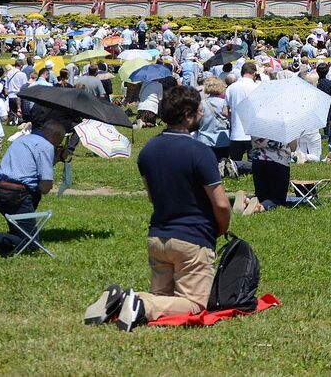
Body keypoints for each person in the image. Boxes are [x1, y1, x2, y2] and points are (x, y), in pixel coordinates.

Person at [84, 86, 231, 331]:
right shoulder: (200, 152)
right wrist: (220, 228)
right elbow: (221, 204)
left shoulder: (148, 150)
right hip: (193, 238)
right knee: (194, 304)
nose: (202, 115)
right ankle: (135, 302)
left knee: (164, 302)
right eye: (199, 111)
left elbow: (153, 196)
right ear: (187, 114)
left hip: (158, 236)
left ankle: (123, 303)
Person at [0, 120, 67, 257]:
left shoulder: (23, 139)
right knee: (32, 245)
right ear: (55, 137)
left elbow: (31, 166)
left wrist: (56, 158)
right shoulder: (46, 146)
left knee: (20, 233)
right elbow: (45, 187)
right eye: (59, 141)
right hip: (15, 195)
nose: (58, 145)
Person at [223, 62, 259, 163]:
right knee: (254, 164)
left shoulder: (231, 88)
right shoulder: (256, 87)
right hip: (252, 132)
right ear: (254, 73)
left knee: (234, 163)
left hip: (236, 131)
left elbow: (225, 112)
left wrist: (233, 115)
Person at [196, 76, 230, 162]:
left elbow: (197, 121)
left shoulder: (201, 104)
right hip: (223, 139)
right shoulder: (224, 103)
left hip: (205, 139)